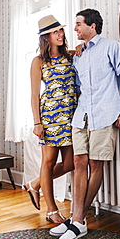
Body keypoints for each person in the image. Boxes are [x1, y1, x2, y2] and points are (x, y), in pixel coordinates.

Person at [50, 8, 120, 239]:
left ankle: (78, 220)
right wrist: (74, 50)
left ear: (92, 26)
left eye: (78, 24)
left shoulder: (112, 47)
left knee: (94, 163)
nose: (75, 28)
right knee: (78, 162)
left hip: (105, 113)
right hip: (82, 116)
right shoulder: (78, 54)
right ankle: (77, 219)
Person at [24, 15, 77, 225]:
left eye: (61, 30)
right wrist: (37, 122)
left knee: (71, 162)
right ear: (46, 37)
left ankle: (35, 184)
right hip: (50, 118)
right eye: (56, 32)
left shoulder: (71, 56)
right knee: (48, 162)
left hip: (71, 117)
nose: (61, 34)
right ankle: (51, 210)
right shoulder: (38, 61)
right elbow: (34, 94)